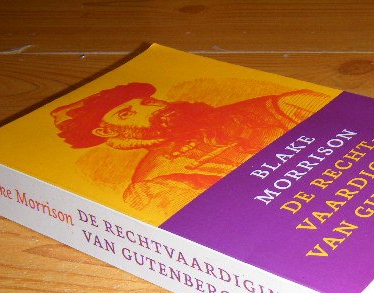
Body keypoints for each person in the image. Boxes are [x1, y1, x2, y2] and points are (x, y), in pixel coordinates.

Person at [51, 82, 329, 217]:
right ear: (108, 132)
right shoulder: (156, 182)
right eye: (127, 114)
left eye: (147, 102)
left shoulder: (279, 105)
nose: (153, 109)